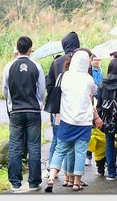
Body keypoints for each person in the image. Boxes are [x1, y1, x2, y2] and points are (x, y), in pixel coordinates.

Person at [45, 50, 97, 193]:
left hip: (67, 120)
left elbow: (58, 89)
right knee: (80, 152)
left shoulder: (64, 76)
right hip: (84, 122)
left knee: (60, 149)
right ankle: (76, 183)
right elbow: (94, 90)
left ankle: (51, 178)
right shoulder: (88, 79)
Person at [2, 36, 46, 193]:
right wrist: (38, 102)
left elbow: (5, 89)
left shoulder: (9, 66)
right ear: (30, 49)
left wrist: (11, 103)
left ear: (17, 48)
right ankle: (34, 182)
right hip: (33, 110)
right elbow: (41, 89)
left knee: (15, 145)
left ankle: (15, 182)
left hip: (16, 111)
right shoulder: (37, 66)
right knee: (34, 145)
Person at [45, 32, 81, 175]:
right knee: (75, 141)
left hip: (58, 107)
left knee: (57, 138)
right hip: (76, 107)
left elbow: (49, 84)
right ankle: (70, 174)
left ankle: (51, 169)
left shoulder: (56, 62)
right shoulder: (82, 60)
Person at [96, 58, 117, 181]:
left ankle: (110, 172)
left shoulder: (103, 83)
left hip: (107, 119)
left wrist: (98, 117)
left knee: (109, 143)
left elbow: (99, 102)